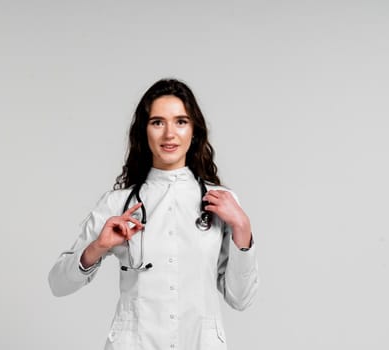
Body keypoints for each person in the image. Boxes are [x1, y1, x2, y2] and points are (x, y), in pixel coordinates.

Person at [48, 78, 259, 350]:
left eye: (181, 122)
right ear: (144, 132)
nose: (169, 134)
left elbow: (240, 299)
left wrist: (242, 227)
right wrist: (98, 247)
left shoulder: (221, 203)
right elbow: (58, 284)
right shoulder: (118, 203)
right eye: (158, 122)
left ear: (194, 131)